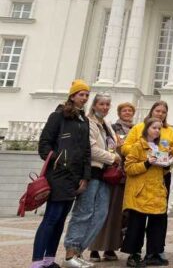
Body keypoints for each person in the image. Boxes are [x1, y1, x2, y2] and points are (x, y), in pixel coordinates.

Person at [32, 80, 91, 268]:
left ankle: (49, 260)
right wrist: (59, 160)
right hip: (58, 176)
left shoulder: (84, 120)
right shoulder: (58, 116)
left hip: (74, 178)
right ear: (72, 96)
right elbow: (44, 145)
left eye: (87, 95)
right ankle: (36, 262)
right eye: (81, 94)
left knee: (60, 221)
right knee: (51, 218)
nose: (84, 98)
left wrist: (85, 176)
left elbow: (86, 150)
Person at [63, 93, 120, 267]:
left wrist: (115, 154)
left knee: (100, 214)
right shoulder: (88, 122)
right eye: (101, 104)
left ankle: (79, 251)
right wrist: (113, 158)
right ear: (94, 106)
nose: (105, 107)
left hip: (105, 175)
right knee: (83, 213)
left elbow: (113, 145)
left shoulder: (107, 125)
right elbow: (91, 150)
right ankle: (70, 253)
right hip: (91, 173)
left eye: (107, 105)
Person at [123, 101, 173, 262]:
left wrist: (167, 156)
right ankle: (133, 253)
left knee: (158, 218)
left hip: (158, 181)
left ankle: (154, 251)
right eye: (158, 111)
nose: (160, 114)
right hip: (141, 181)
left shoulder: (169, 132)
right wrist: (145, 155)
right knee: (137, 220)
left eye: (164, 112)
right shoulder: (138, 131)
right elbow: (127, 154)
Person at [89, 102, 136, 262]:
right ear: (119, 112)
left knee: (118, 215)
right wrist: (117, 147)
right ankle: (94, 248)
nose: (127, 113)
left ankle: (110, 248)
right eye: (124, 110)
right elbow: (106, 147)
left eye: (130, 110)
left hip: (127, 176)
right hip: (112, 174)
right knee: (102, 211)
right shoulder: (111, 128)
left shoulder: (137, 129)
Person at [121, 118, 170, 267]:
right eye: (154, 127)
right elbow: (129, 168)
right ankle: (133, 255)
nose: (157, 130)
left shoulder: (160, 147)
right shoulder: (138, 146)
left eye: (159, 128)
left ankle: (153, 253)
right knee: (137, 225)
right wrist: (147, 163)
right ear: (147, 128)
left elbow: (161, 170)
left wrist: (167, 164)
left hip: (156, 191)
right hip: (140, 192)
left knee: (157, 224)